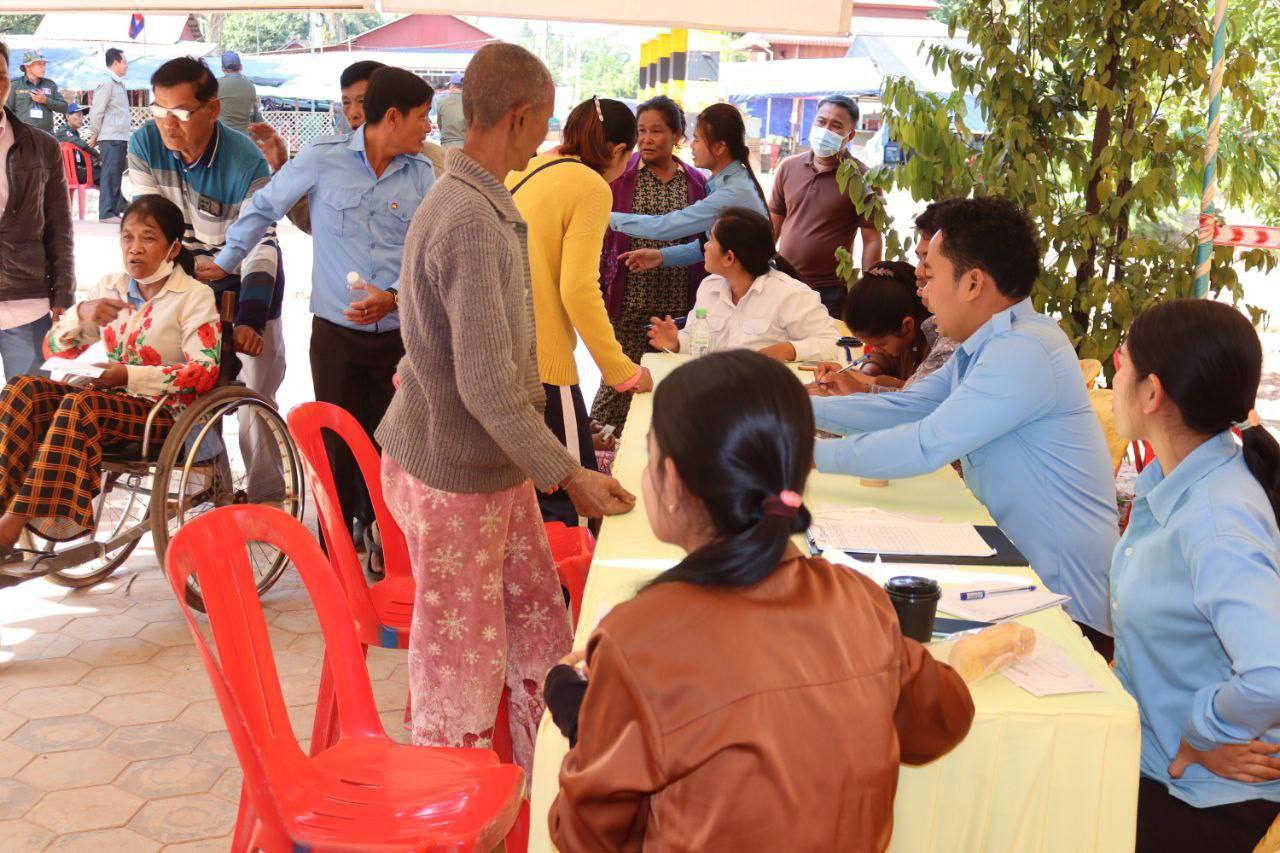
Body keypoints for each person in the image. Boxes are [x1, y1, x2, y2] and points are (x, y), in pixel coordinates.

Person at [545, 350, 975, 850]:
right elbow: (943, 722)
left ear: (673, 483)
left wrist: (584, 720)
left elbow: (585, 836)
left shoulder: (634, 640)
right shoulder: (856, 598)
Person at [374, 43, 636, 775]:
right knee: (460, 657)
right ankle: (449, 799)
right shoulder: (468, 215)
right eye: (544, 120)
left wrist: (551, 469)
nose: (546, 135)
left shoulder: (481, 199)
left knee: (537, 621)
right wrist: (570, 474)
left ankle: (542, 775)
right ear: (519, 118)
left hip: (489, 462)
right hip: (455, 473)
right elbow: (487, 386)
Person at [810, 197, 1118, 655]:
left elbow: (926, 443)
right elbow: (910, 408)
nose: (923, 291)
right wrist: (796, 410)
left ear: (973, 283)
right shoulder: (990, 341)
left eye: (931, 275)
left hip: (1063, 602)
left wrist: (801, 453)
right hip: (1016, 570)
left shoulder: (1024, 350)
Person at [213, 67, 435, 546]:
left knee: (395, 448)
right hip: (335, 336)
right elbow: (265, 206)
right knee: (334, 445)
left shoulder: (422, 174)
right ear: (392, 117)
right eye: (422, 116)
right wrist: (225, 261)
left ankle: (386, 543)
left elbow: (429, 252)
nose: (428, 126)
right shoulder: (322, 159)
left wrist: (394, 296)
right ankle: (335, 548)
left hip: (400, 336)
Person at [1109, 299, 1280, 852]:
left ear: (1152, 393)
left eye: (1122, 362)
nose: (1114, 376)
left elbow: (1272, 673)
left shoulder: (1216, 521)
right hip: (1157, 759)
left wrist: (1203, 734)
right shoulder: (1178, 479)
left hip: (1199, 794)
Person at [0, 195, 219, 562]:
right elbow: (54, 350)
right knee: (23, 389)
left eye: (148, 238)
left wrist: (126, 374)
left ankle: (11, 526)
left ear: (173, 247)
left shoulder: (193, 297)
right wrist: (81, 315)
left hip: (167, 415)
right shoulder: (110, 288)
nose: (135, 248)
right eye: (127, 237)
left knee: (81, 403)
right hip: (113, 404)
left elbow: (204, 372)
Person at [128, 56, 285, 503]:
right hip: (181, 284)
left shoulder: (245, 160)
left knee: (257, 394)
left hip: (246, 282)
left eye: (180, 112)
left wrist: (251, 319)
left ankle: (267, 500)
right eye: (158, 111)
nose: (167, 124)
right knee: (188, 388)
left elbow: (261, 243)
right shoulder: (144, 143)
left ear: (212, 109)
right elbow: (150, 232)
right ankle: (205, 496)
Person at [505, 96, 653, 526]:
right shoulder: (590, 186)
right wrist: (622, 371)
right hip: (543, 362)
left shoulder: (529, 168)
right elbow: (578, 289)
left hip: (504, 350)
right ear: (620, 151)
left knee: (530, 504)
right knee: (577, 506)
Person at [592, 95, 708, 432]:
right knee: (618, 383)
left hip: (678, 309)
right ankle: (602, 448)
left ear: (677, 135)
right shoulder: (618, 177)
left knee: (669, 385)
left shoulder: (696, 183)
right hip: (627, 303)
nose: (646, 139)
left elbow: (703, 242)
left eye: (656, 131)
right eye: (641, 131)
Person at [249, 60, 445, 236]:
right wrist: (282, 167)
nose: (353, 113)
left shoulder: (430, 164)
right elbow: (319, 223)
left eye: (363, 101)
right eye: (346, 102)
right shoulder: (331, 160)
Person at [647, 207, 838, 362]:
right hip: (712, 386)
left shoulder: (790, 294)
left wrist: (789, 349)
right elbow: (697, 341)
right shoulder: (709, 287)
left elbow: (832, 344)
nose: (705, 246)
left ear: (729, 258)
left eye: (711, 241)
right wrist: (676, 343)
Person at [814, 201, 959, 397]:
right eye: (920, 258)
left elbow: (917, 400)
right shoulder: (935, 328)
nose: (919, 271)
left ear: (973, 282)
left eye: (928, 259)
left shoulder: (952, 339)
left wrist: (863, 385)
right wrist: (864, 376)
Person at [610, 102, 769, 271]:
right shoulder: (722, 183)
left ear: (720, 147)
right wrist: (662, 256)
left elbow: (665, 227)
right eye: (641, 130)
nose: (692, 145)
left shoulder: (729, 191)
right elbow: (704, 245)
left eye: (697, 139)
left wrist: (607, 218)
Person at [769, 95, 882, 318]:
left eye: (836, 126)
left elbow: (872, 239)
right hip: (781, 281)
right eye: (821, 122)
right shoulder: (788, 167)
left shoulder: (863, 178)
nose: (825, 130)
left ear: (850, 135)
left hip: (829, 291)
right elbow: (774, 224)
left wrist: (870, 288)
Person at [0, 42, 73, 382]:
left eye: (0, 76)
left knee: (30, 406)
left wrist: (63, 291)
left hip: (26, 303)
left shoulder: (42, 147)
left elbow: (59, 227)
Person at [839, 261, 932, 387]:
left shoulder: (936, 345)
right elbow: (880, 357)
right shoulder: (899, 338)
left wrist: (870, 382)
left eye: (880, 345)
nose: (876, 350)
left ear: (907, 326)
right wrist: (868, 371)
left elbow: (920, 393)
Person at [87, 47, 130, 223]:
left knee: (116, 175)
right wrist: (94, 133)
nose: (126, 65)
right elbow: (97, 111)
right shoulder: (107, 82)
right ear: (115, 62)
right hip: (110, 136)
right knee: (110, 174)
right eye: (124, 61)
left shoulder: (119, 83)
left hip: (120, 136)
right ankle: (106, 213)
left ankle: (114, 210)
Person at [4, 50, 67, 136]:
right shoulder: (15, 85)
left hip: (46, 135)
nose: (43, 67)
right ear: (27, 66)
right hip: (23, 135)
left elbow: (64, 107)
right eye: (39, 64)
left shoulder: (50, 85)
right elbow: (6, 111)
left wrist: (45, 100)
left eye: (44, 64)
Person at [217, 51, 262, 137]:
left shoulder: (217, 84)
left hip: (223, 137)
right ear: (241, 67)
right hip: (245, 138)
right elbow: (256, 115)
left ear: (222, 68)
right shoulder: (250, 86)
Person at [55, 102, 100, 186]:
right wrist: (99, 156)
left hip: (75, 170)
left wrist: (95, 161)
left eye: (82, 116)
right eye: (78, 115)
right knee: (105, 173)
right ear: (67, 116)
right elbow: (83, 146)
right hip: (68, 173)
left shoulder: (75, 133)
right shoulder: (63, 131)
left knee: (103, 171)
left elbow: (81, 154)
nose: (81, 119)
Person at [436, 71, 466, 148]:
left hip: (448, 146)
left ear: (452, 86)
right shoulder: (472, 103)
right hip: (468, 146)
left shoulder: (441, 102)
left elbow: (440, 125)